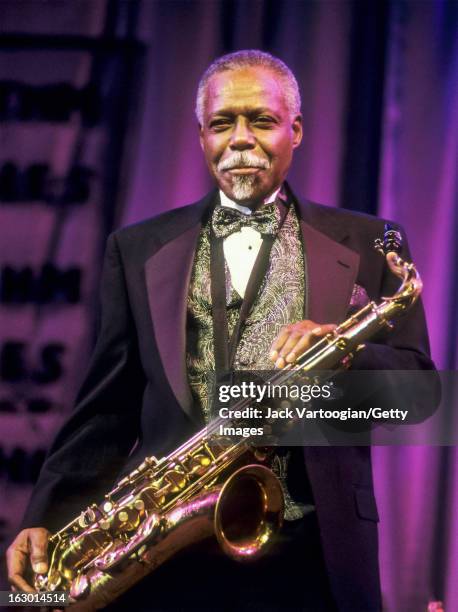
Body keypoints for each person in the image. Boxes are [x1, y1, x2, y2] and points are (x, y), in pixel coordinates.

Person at [7, 50, 435, 611]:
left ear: (295, 130)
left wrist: (343, 358)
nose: (240, 139)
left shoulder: (372, 241)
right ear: (200, 134)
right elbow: (105, 411)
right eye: (221, 122)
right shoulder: (136, 248)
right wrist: (45, 516)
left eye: (261, 120)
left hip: (317, 554)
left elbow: (420, 398)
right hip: (168, 555)